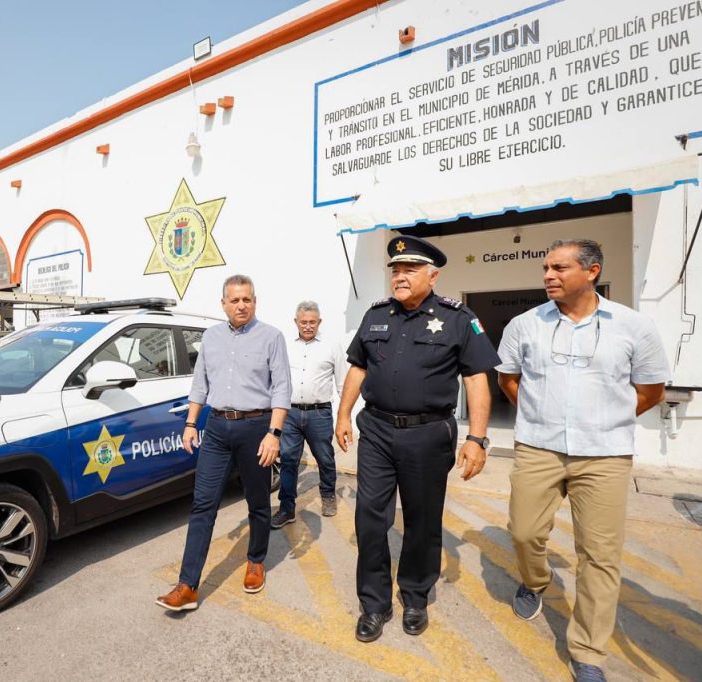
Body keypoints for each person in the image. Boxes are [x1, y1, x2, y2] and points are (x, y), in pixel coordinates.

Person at [496, 239, 668, 682]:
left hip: (605, 455)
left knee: (599, 555)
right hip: (539, 447)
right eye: (546, 268)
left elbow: (651, 391)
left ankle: (588, 651)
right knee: (523, 531)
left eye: (560, 268)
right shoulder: (524, 324)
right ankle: (536, 581)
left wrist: (605, 421)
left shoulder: (634, 326)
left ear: (592, 272)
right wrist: (539, 416)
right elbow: (509, 380)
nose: (548, 276)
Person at [335, 234, 500, 643]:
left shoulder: (458, 318)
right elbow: (358, 367)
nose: (400, 276)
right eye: (396, 270)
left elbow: (476, 379)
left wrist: (477, 439)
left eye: (410, 269)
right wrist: (343, 415)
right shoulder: (376, 315)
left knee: (422, 520)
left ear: (433, 276)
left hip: (428, 434)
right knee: (369, 519)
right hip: (376, 430)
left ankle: (415, 596)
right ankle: (374, 604)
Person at [156, 274, 292, 611]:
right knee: (203, 503)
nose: (241, 305)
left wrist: (274, 434)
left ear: (255, 302)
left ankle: (256, 561)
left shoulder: (272, 337)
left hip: (256, 428)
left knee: (257, 501)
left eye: (247, 299)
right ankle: (187, 586)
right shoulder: (211, 337)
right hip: (216, 428)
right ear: (223, 304)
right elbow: (200, 384)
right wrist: (191, 423)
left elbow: (282, 389)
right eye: (235, 300)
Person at [270, 300, 345, 528]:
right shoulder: (285, 346)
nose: (308, 326)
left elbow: (342, 384)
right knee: (289, 461)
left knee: (325, 458)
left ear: (319, 322)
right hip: (290, 413)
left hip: (319, 414)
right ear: (296, 322)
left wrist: (345, 417)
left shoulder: (331, 347)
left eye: (312, 322)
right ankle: (287, 508)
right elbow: (276, 379)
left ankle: (328, 495)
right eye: (303, 322)